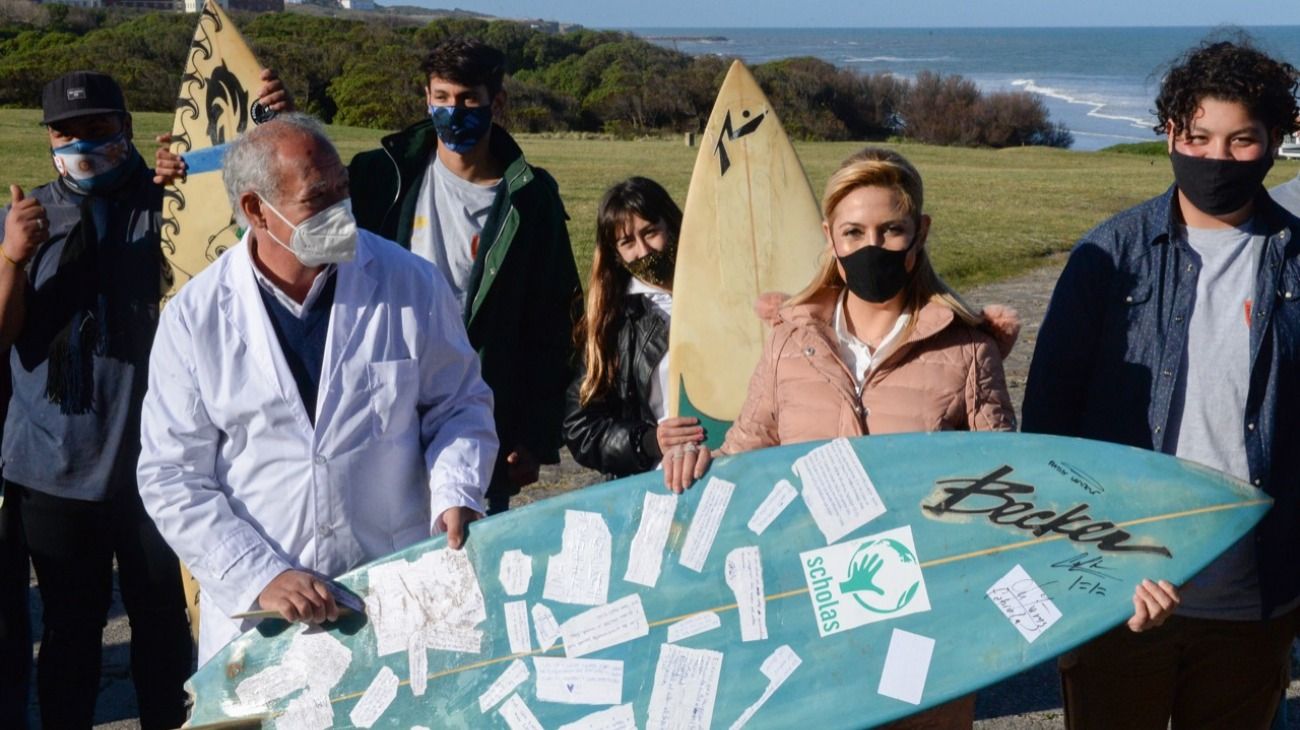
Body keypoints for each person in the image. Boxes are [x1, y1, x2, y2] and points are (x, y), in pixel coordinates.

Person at [673, 146, 1021, 728]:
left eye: (891, 230)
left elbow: (1003, 492)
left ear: (920, 233)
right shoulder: (791, 341)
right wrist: (693, 464)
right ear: (829, 237)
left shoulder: (966, 349)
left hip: (925, 615)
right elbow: (744, 454)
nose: (872, 247)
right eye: (854, 231)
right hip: (807, 606)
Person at [137, 113, 498, 664]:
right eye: (317, 199)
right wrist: (261, 575)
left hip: (391, 587)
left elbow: (459, 404)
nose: (340, 213)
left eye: (342, 191)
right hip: (264, 616)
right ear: (257, 210)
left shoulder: (410, 282)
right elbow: (171, 474)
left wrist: (456, 491)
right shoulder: (195, 317)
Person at [1021, 39, 1300, 730]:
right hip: (1119, 585)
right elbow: (1049, 421)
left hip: (1255, 591)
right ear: (1170, 134)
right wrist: (1071, 563)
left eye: (1243, 140)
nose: (1216, 157)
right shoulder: (1105, 257)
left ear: (1277, 142)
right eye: (1197, 136)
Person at [0, 71, 192, 729]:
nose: (82, 142)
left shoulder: (170, 204)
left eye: (99, 128)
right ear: (49, 137)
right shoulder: (22, 220)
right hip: (53, 470)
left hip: (158, 470)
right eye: (67, 131)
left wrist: (198, 171)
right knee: (70, 636)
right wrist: (13, 260)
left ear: (128, 129)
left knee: (167, 630)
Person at [562, 177, 706, 479]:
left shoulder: (720, 291)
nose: (643, 251)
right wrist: (649, 441)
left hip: (731, 460)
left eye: (651, 232)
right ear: (616, 253)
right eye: (628, 243)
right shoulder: (612, 324)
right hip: (655, 479)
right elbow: (581, 427)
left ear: (672, 225)